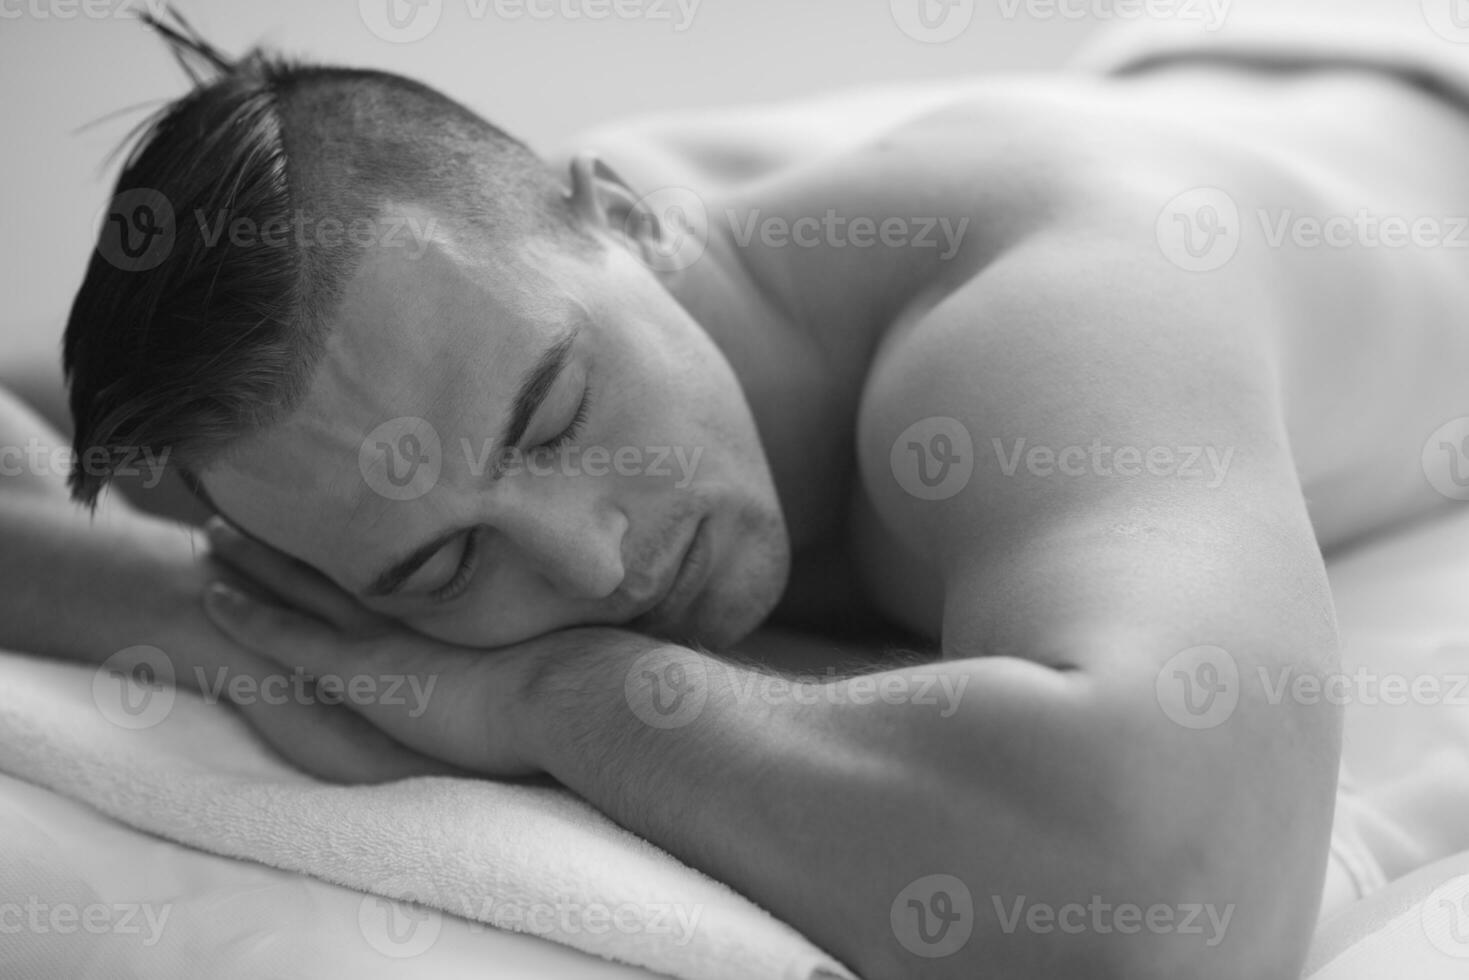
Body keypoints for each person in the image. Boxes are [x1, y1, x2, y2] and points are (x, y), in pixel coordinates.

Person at [13, 7, 1469, 978]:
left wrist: (557, 699)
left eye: (555, 421)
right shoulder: (394, 364)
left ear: (631, 224)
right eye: (440, 570)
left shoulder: (1045, 307)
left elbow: (1174, 893)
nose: (587, 568)